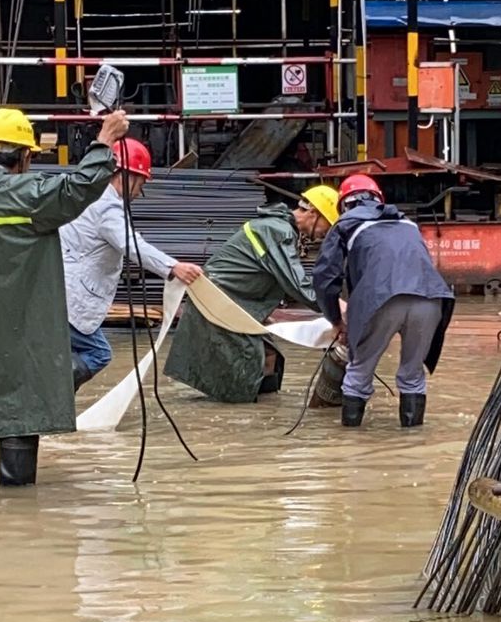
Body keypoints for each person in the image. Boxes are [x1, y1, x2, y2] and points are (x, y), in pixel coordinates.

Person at [0, 106, 130, 486]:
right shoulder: (29, 196)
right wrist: (104, 140)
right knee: (20, 421)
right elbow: (79, 187)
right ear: (25, 156)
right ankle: (16, 521)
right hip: (22, 341)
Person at [164, 185, 339, 403]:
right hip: (217, 301)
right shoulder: (278, 231)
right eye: (328, 224)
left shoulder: (277, 227)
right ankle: (242, 417)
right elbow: (296, 284)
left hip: (228, 301)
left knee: (269, 355)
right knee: (250, 362)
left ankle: (261, 414)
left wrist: (261, 311)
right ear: (313, 213)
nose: (327, 233)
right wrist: (336, 308)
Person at [60, 137, 203, 391]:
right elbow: (132, 245)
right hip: (72, 299)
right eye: (141, 184)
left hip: (58, 292)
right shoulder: (107, 206)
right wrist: (173, 268)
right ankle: (51, 395)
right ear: (128, 175)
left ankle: (50, 398)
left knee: (61, 352)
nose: (139, 193)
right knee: (98, 354)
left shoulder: (86, 195)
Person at [312, 174, 454, 429]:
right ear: (378, 198)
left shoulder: (345, 223)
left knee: (359, 373)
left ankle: (347, 446)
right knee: (412, 376)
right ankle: (412, 445)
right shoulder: (408, 223)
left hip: (381, 299)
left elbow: (325, 277)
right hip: (431, 298)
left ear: (344, 204)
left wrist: (335, 319)